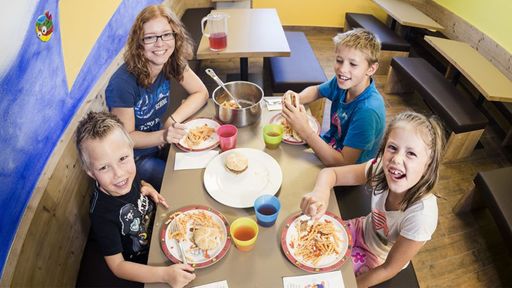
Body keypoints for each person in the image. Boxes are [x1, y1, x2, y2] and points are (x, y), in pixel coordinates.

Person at [300, 111, 445, 287]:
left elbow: (389, 268)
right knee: (309, 246)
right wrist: (320, 193)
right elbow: (331, 174)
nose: (396, 160)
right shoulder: (380, 169)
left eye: (411, 154)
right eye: (392, 148)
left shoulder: (422, 216)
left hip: (379, 259)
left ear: (428, 164)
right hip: (361, 228)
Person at [75, 111, 195, 287]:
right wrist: (164, 275)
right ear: (91, 172)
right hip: (144, 265)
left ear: (131, 151)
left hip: (160, 235)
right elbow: (118, 266)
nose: (119, 174)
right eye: (104, 167)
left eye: (123, 159)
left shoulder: (128, 175)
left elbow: (137, 181)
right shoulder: (101, 214)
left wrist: (147, 187)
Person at [106, 4, 208, 191]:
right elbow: (127, 139)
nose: (160, 44)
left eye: (166, 34)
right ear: (139, 43)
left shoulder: (170, 61)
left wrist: (171, 121)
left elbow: (200, 92)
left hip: (159, 141)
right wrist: (163, 135)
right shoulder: (122, 84)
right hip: (134, 158)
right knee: (185, 187)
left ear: (175, 36)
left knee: (202, 167)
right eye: (150, 37)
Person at [282, 28, 385, 167]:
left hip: (348, 173)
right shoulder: (343, 82)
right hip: (329, 147)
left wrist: (305, 131)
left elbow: (343, 163)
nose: (342, 69)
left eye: (353, 64)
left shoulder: (368, 111)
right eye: (339, 60)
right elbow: (316, 91)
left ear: (371, 69)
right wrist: (296, 98)